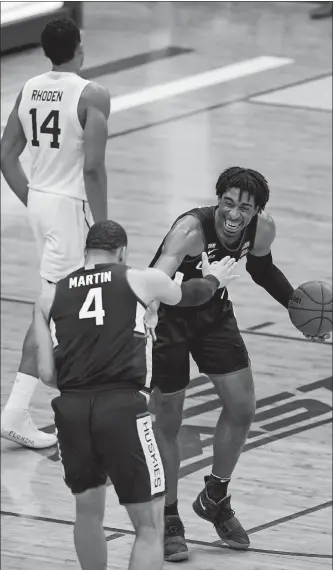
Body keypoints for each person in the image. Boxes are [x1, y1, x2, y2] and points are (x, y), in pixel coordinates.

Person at [145, 166, 330, 562]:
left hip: (213, 315)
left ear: (257, 211)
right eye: (227, 203)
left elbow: (261, 269)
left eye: (243, 207)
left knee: (243, 406)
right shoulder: (190, 231)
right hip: (169, 320)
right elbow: (154, 282)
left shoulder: (262, 229)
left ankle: (214, 497)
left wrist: (300, 310)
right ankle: (169, 516)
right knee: (168, 421)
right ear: (217, 201)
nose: (233, 214)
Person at [33, 220, 239, 570]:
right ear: (122, 252)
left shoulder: (49, 297)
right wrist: (216, 275)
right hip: (122, 408)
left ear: (86, 253)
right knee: (149, 525)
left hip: (72, 410)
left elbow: (48, 375)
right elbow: (193, 296)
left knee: (87, 514)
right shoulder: (139, 278)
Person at [1, 18, 110, 448]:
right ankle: (22, 410)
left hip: (42, 202)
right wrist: (104, 228)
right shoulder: (92, 94)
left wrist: (35, 199)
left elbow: (6, 155)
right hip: (71, 208)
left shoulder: (29, 87)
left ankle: (28, 407)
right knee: (63, 307)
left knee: (71, 302)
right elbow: (93, 167)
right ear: (79, 48)